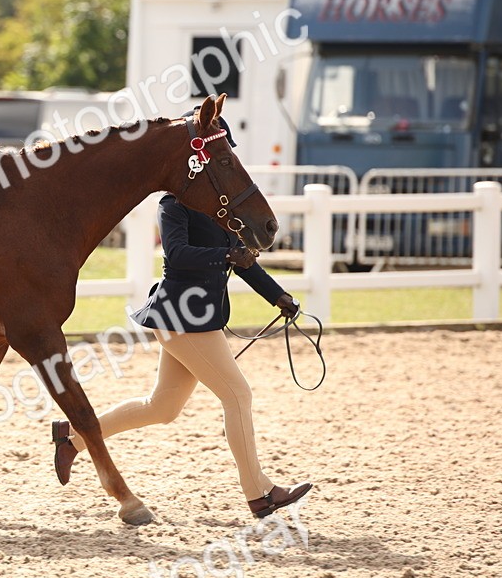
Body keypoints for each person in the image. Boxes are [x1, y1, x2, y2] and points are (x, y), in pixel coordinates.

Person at [51, 113, 312, 519]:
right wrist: (225, 253)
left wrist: (278, 296)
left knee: (162, 408)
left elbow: (244, 262)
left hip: (198, 317)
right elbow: (177, 255)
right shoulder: (173, 206)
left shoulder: (220, 209)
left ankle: (72, 438)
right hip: (180, 316)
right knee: (237, 395)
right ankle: (259, 493)